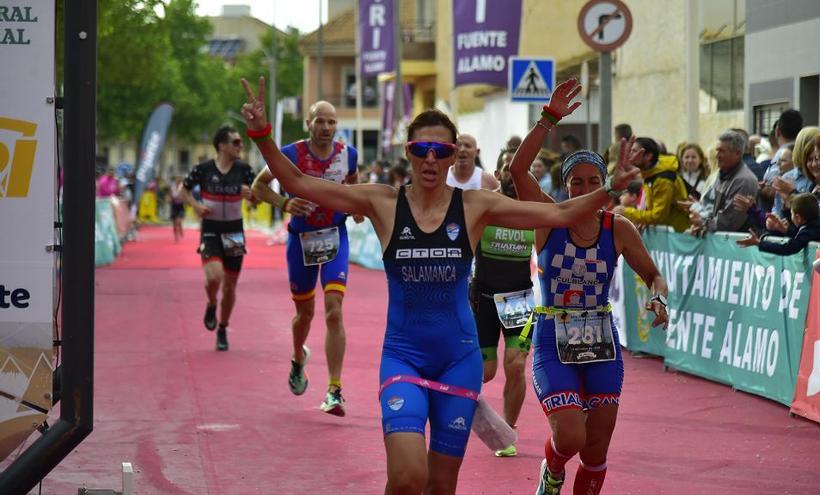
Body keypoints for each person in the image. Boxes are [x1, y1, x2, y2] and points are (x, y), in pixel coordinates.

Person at [239, 76, 639, 495]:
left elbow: (557, 216)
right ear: (407, 153)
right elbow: (302, 183)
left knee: (441, 485)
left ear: (453, 157)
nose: (430, 159)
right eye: (420, 150)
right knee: (408, 477)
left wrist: (607, 186)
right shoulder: (382, 202)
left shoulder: (474, 205)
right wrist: (263, 136)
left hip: (458, 361)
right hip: (404, 359)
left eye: (441, 151)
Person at [509, 85, 668, 495]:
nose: (583, 189)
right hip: (552, 336)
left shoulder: (619, 228)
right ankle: (554, 467)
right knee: (571, 437)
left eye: (592, 181)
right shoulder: (549, 217)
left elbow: (654, 274)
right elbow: (518, 171)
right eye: (576, 183)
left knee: (596, 448)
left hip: (601, 339)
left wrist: (658, 296)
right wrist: (548, 118)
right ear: (565, 188)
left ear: (604, 182)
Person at [250, 100, 359, 416]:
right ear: (308, 124)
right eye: (320, 122)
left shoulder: (347, 156)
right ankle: (298, 357)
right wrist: (284, 205)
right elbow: (258, 186)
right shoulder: (290, 153)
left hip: (335, 237)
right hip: (301, 241)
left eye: (331, 122)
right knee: (305, 314)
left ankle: (334, 389)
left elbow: (355, 188)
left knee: (334, 312)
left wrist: (358, 209)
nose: (326, 128)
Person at [469, 148, 535, 458]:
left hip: (519, 300)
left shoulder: (534, 208)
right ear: (498, 174)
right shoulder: (484, 206)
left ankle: (507, 430)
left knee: (517, 366)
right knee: (486, 372)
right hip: (483, 298)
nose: (512, 173)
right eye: (507, 168)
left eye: (518, 168)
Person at [180, 125, 255, 351]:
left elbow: (258, 199)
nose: (240, 145)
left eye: (240, 142)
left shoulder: (245, 170)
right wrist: (195, 205)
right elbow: (181, 190)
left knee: (230, 287)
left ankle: (222, 327)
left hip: (234, 232)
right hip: (211, 229)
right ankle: (212, 302)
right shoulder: (202, 169)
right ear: (222, 146)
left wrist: (252, 196)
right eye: (236, 142)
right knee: (215, 276)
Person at [612, 137, 691, 232]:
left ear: (648, 156)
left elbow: (658, 216)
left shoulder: (663, 179)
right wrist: (644, 220)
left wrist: (626, 212)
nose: (630, 155)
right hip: (665, 234)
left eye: (634, 151)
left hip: (677, 236)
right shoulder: (650, 174)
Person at [690, 130, 760, 234]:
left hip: (737, 246)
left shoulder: (744, 181)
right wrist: (700, 218)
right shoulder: (721, 174)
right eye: (717, 150)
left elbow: (729, 222)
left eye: (722, 151)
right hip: (721, 244)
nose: (717, 155)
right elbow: (711, 208)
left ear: (737, 153)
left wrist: (703, 223)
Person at [736, 193, 820, 254]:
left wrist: (758, 243)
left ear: (797, 217)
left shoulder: (809, 231)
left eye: (791, 214)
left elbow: (787, 248)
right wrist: (786, 230)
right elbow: (801, 238)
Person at [169, 175, 186, 242]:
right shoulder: (172, 187)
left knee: (178, 221)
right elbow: (169, 195)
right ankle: (176, 237)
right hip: (174, 206)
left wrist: (181, 198)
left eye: (179, 180)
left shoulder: (182, 187)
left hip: (180, 206)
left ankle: (180, 228)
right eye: (177, 179)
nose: (178, 181)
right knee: (174, 223)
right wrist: (169, 199)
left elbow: (185, 196)